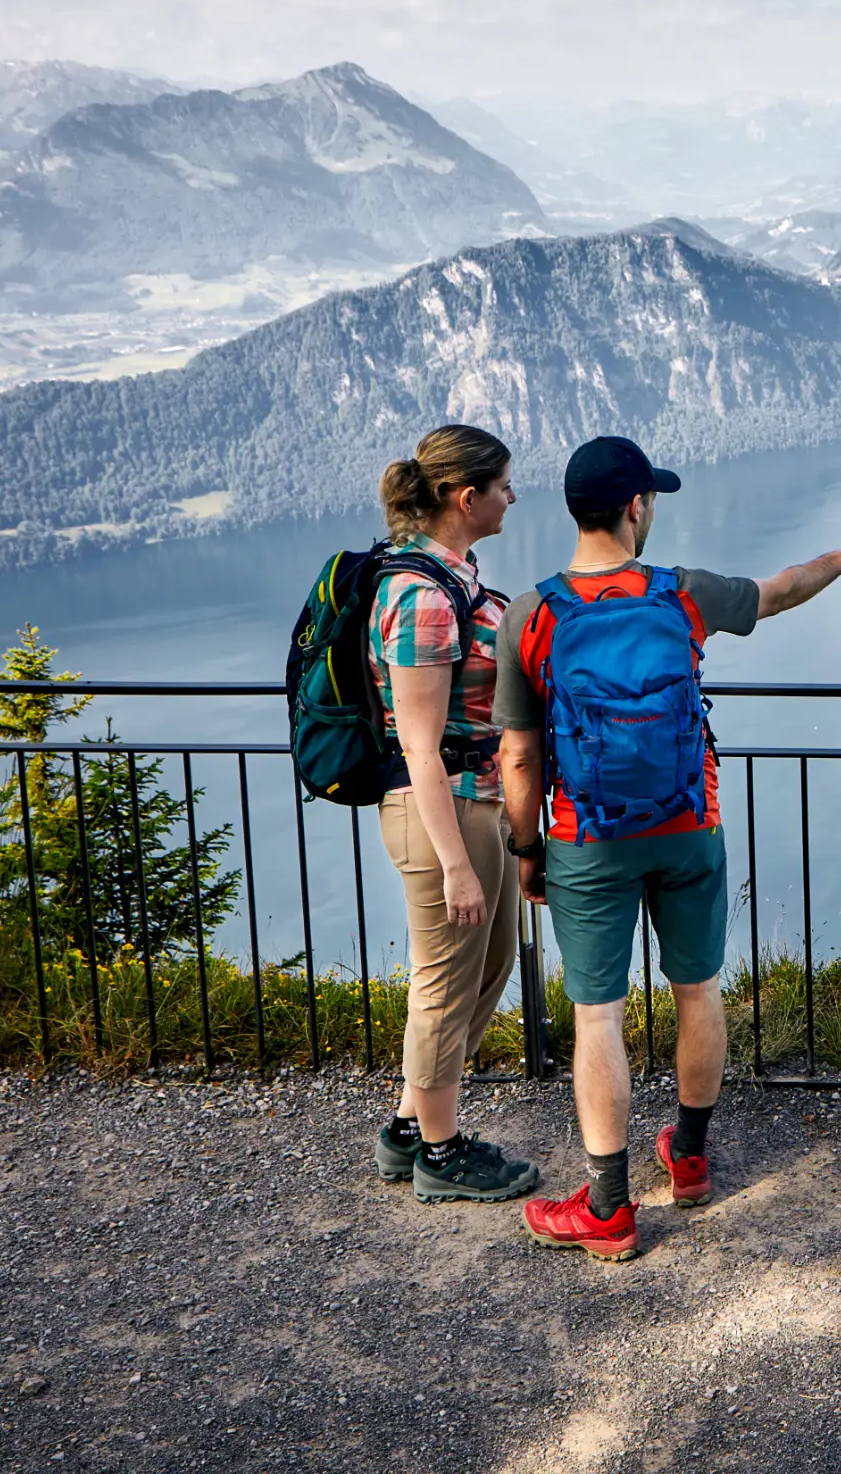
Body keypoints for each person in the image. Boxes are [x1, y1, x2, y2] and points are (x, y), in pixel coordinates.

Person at [498, 434, 841, 1261]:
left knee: (597, 1014)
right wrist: (838, 559)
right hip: (687, 826)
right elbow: (779, 593)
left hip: (586, 840)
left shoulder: (531, 615)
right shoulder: (682, 594)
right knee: (696, 991)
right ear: (636, 507)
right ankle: (692, 1158)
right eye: (652, 500)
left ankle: (607, 1207)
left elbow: (521, 755)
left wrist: (526, 849)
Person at [367, 423, 543, 1204]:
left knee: (489, 968)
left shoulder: (456, 576)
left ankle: (409, 1126)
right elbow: (418, 746)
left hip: (479, 807)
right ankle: (439, 1153)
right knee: (443, 986)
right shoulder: (421, 600)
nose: (512, 496)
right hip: (442, 814)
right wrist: (455, 865)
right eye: (504, 485)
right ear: (466, 498)